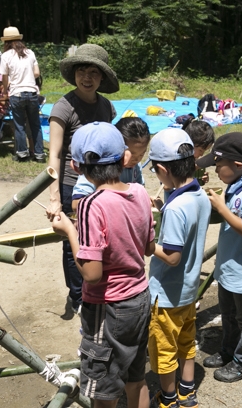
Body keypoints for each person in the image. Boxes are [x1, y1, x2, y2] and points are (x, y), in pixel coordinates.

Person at [51, 122, 153, 408]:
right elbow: (146, 247)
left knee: (102, 390)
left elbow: (91, 274)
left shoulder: (89, 205)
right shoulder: (141, 193)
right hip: (140, 297)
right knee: (136, 377)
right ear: (124, 158)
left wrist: (70, 232)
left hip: (108, 308)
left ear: (75, 165)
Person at [46, 44, 119, 316]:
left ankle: (98, 287)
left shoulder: (107, 107)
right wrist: (54, 197)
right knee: (72, 239)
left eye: (93, 72)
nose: (86, 78)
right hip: (70, 183)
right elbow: (53, 155)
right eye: (81, 71)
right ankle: (77, 296)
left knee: (102, 235)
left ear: (102, 78)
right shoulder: (63, 107)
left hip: (101, 183)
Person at [196, 132, 242, 383]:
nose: (215, 170)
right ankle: (229, 350)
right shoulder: (237, 183)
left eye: (217, 165)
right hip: (230, 267)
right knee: (228, 313)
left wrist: (222, 208)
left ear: (237, 165)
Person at [147, 128, 211, 408]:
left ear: (162, 168)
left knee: (163, 349)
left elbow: (171, 257)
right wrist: (164, 207)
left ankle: (169, 397)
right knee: (186, 342)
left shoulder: (176, 209)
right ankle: (187, 391)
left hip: (167, 295)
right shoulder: (200, 196)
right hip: (188, 290)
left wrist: (147, 244)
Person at [71, 117, 150, 211]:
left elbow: (139, 191)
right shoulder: (97, 168)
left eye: (142, 154)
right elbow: (76, 204)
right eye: (131, 154)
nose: (136, 159)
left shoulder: (135, 166)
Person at [0, 26, 45, 163]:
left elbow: (4, 76)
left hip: (16, 93)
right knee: (35, 124)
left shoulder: (6, 56)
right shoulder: (30, 53)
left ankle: (22, 154)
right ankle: (39, 154)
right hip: (32, 92)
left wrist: (6, 88)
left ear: (6, 42)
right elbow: (36, 73)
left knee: (19, 125)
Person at [184, 120, 215, 186]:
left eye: (204, 151)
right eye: (201, 150)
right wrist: (193, 169)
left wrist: (201, 180)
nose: (202, 154)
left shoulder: (195, 160)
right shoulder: (178, 161)